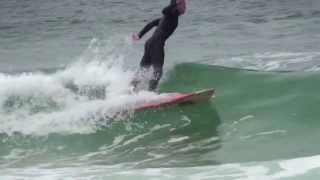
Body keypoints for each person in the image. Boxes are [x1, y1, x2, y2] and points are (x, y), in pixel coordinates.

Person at [132, 0, 186, 91]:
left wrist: (139, 35)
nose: (185, 7)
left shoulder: (166, 17)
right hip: (157, 44)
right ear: (178, 6)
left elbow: (151, 24)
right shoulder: (171, 15)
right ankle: (150, 94)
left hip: (149, 43)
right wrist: (175, 3)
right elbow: (164, 10)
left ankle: (130, 89)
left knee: (143, 70)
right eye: (183, 4)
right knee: (158, 71)